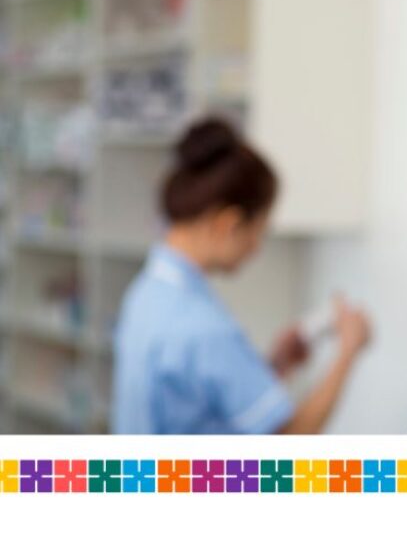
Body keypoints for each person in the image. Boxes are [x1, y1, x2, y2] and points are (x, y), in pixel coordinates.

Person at [112, 117, 370, 434]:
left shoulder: (148, 292)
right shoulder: (203, 326)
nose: (255, 248)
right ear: (228, 224)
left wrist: (276, 365)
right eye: (258, 230)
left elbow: (197, 402)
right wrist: (348, 351)